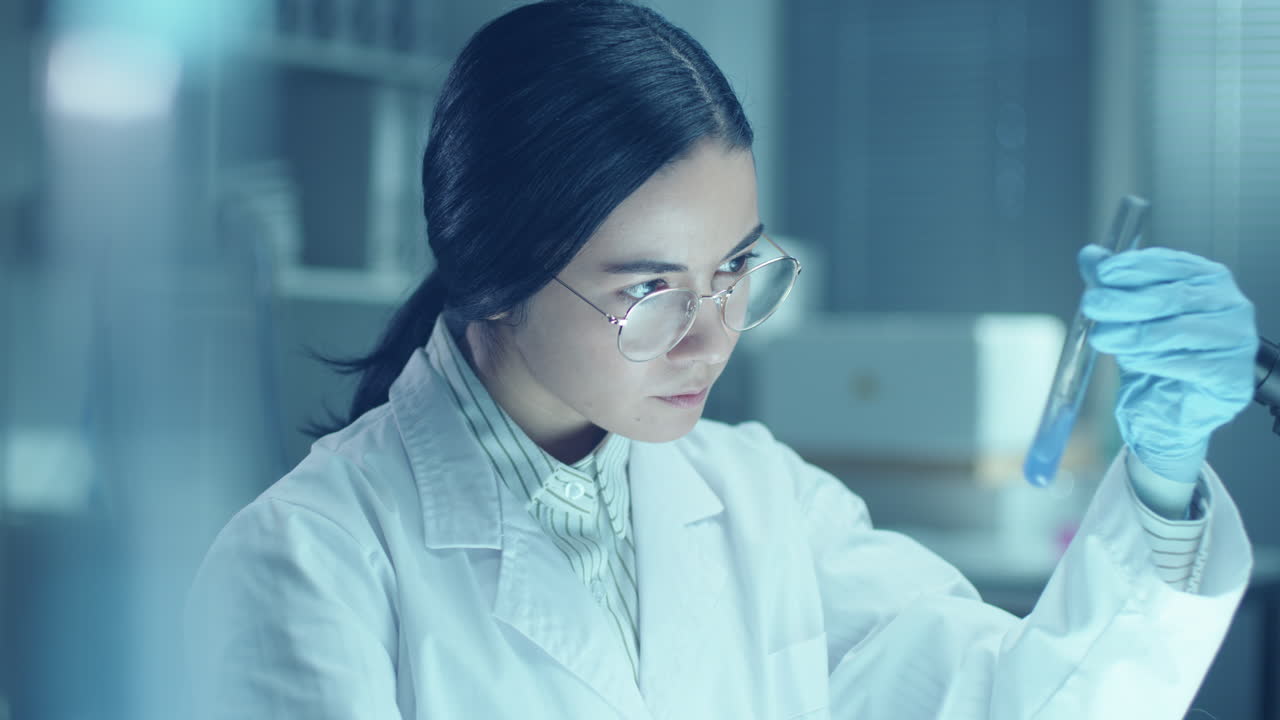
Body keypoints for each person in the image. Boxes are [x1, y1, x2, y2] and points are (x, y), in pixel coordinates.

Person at [183, 2, 1260, 718]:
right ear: (497, 274)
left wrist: (1160, 485)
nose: (710, 336)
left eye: (736, 269)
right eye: (647, 290)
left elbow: (1023, 700)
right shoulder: (306, 563)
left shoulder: (757, 501)